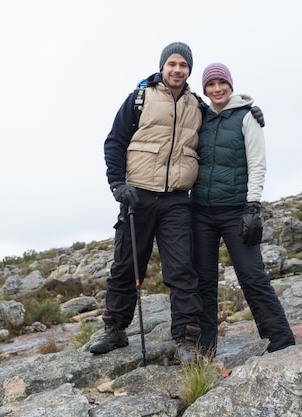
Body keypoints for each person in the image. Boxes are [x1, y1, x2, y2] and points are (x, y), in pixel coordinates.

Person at [92, 42, 204, 363]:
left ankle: (186, 339)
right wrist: (117, 185)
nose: (177, 69)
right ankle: (115, 329)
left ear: (189, 70)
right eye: (172, 63)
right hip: (137, 196)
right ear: (163, 66)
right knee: (126, 265)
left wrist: (246, 110)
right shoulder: (139, 99)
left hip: (177, 202)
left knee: (182, 269)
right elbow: (115, 142)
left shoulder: (197, 106)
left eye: (183, 65)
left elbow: (220, 129)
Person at [191, 62, 296, 356]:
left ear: (230, 85)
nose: (216, 89)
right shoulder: (200, 115)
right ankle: (205, 349)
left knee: (252, 276)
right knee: (204, 281)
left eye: (221, 83)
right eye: (210, 85)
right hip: (201, 212)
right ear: (205, 90)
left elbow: (258, 164)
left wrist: (253, 206)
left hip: (236, 210)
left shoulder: (247, 117)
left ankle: (282, 342)